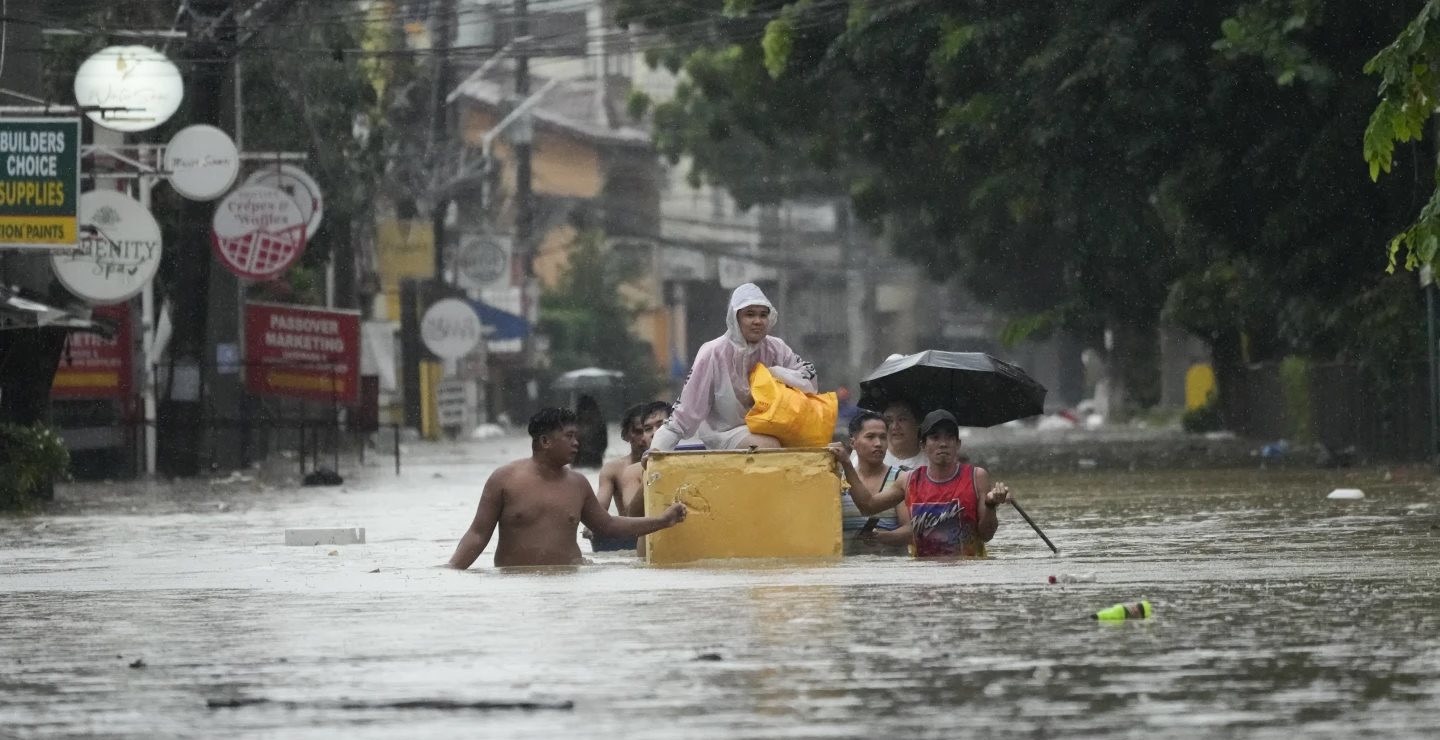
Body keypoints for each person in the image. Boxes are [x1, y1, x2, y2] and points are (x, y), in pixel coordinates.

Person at [448, 408, 687, 569]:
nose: (577, 443)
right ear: (545, 441)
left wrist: (662, 521)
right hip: (516, 589)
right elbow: (478, 535)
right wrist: (451, 571)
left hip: (569, 586)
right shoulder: (504, 479)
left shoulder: (578, 484)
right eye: (569, 436)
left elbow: (609, 525)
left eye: (576, 436)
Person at [649, 282, 818, 452]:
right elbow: (685, 411)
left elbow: (809, 378)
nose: (758, 321)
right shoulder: (712, 353)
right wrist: (656, 452)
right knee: (769, 446)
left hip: (774, 427)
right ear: (735, 318)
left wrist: (776, 373)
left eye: (763, 315)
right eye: (750, 315)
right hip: (725, 433)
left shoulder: (777, 347)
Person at [831, 410, 1010, 558]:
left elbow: (986, 535)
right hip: (923, 576)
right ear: (923, 445)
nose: (943, 444)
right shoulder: (908, 480)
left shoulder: (976, 476)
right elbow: (867, 506)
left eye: (949, 438)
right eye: (935, 438)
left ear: (958, 444)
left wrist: (991, 505)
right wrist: (847, 463)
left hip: (967, 572)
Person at [841, 411, 912, 555]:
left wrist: (884, 537)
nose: (878, 444)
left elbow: (911, 529)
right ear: (853, 442)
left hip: (890, 571)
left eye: (883, 437)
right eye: (870, 437)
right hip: (849, 572)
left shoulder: (901, 478)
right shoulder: (839, 481)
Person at [586, 402, 652, 551]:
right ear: (626, 435)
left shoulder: (673, 464)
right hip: (628, 540)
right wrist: (591, 525)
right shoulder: (613, 469)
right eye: (638, 431)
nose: (644, 438)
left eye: (648, 430)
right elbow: (598, 509)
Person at [881, 398, 927, 470]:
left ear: (917, 423)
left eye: (902, 419)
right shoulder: (872, 459)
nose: (895, 426)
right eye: (889, 421)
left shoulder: (932, 462)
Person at [573, 394, 608, 468]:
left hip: (591, 459)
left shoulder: (598, 423)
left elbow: (603, 443)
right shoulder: (575, 423)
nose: (586, 413)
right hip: (583, 459)